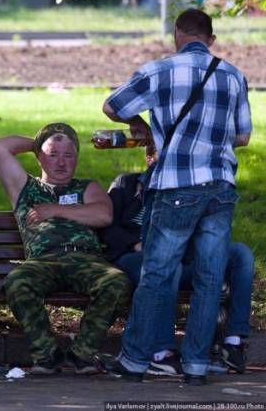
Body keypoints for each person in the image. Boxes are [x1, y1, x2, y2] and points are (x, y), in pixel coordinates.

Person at [102, 8, 252, 385]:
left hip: (177, 187)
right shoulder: (233, 76)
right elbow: (243, 136)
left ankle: (134, 361)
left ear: (177, 34)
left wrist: (138, 123)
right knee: (209, 277)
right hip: (220, 187)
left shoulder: (159, 71)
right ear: (210, 38)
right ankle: (197, 366)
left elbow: (112, 105)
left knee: (156, 273)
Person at [0, 123, 130, 375]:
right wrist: (39, 143)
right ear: (39, 157)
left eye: (68, 155)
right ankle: (47, 355)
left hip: (85, 258)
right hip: (44, 260)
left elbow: (104, 214)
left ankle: (82, 354)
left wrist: (54, 210)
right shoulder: (25, 188)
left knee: (116, 282)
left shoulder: (86, 187)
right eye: (53, 155)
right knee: (17, 281)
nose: (61, 163)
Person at [100, 147, 253, 375]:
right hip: (135, 257)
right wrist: (136, 243)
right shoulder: (127, 184)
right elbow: (106, 227)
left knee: (240, 253)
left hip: (183, 258)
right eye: (159, 156)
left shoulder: (188, 190)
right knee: (166, 267)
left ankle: (233, 343)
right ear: (149, 158)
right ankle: (162, 352)